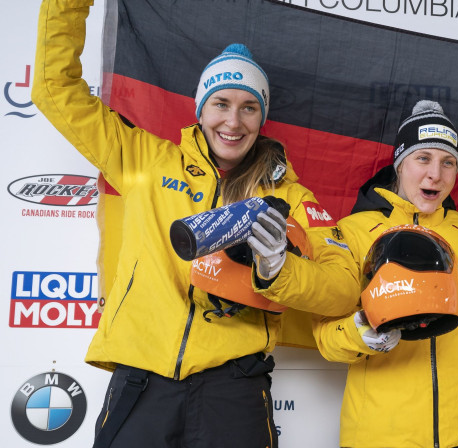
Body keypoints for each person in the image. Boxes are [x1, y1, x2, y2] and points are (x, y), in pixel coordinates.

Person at [32, 1, 360, 447]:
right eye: (221, 104)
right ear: (200, 109)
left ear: (262, 117)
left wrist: (279, 270)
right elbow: (54, 90)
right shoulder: (144, 160)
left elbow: (343, 289)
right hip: (141, 384)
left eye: (249, 107)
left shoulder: (288, 196)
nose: (232, 120)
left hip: (234, 389)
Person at [312, 100, 458, 448]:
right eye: (423, 158)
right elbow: (324, 338)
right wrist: (359, 331)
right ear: (400, 164)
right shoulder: (353, 232)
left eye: (448, 162)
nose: (435, 175)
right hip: (381, 436)